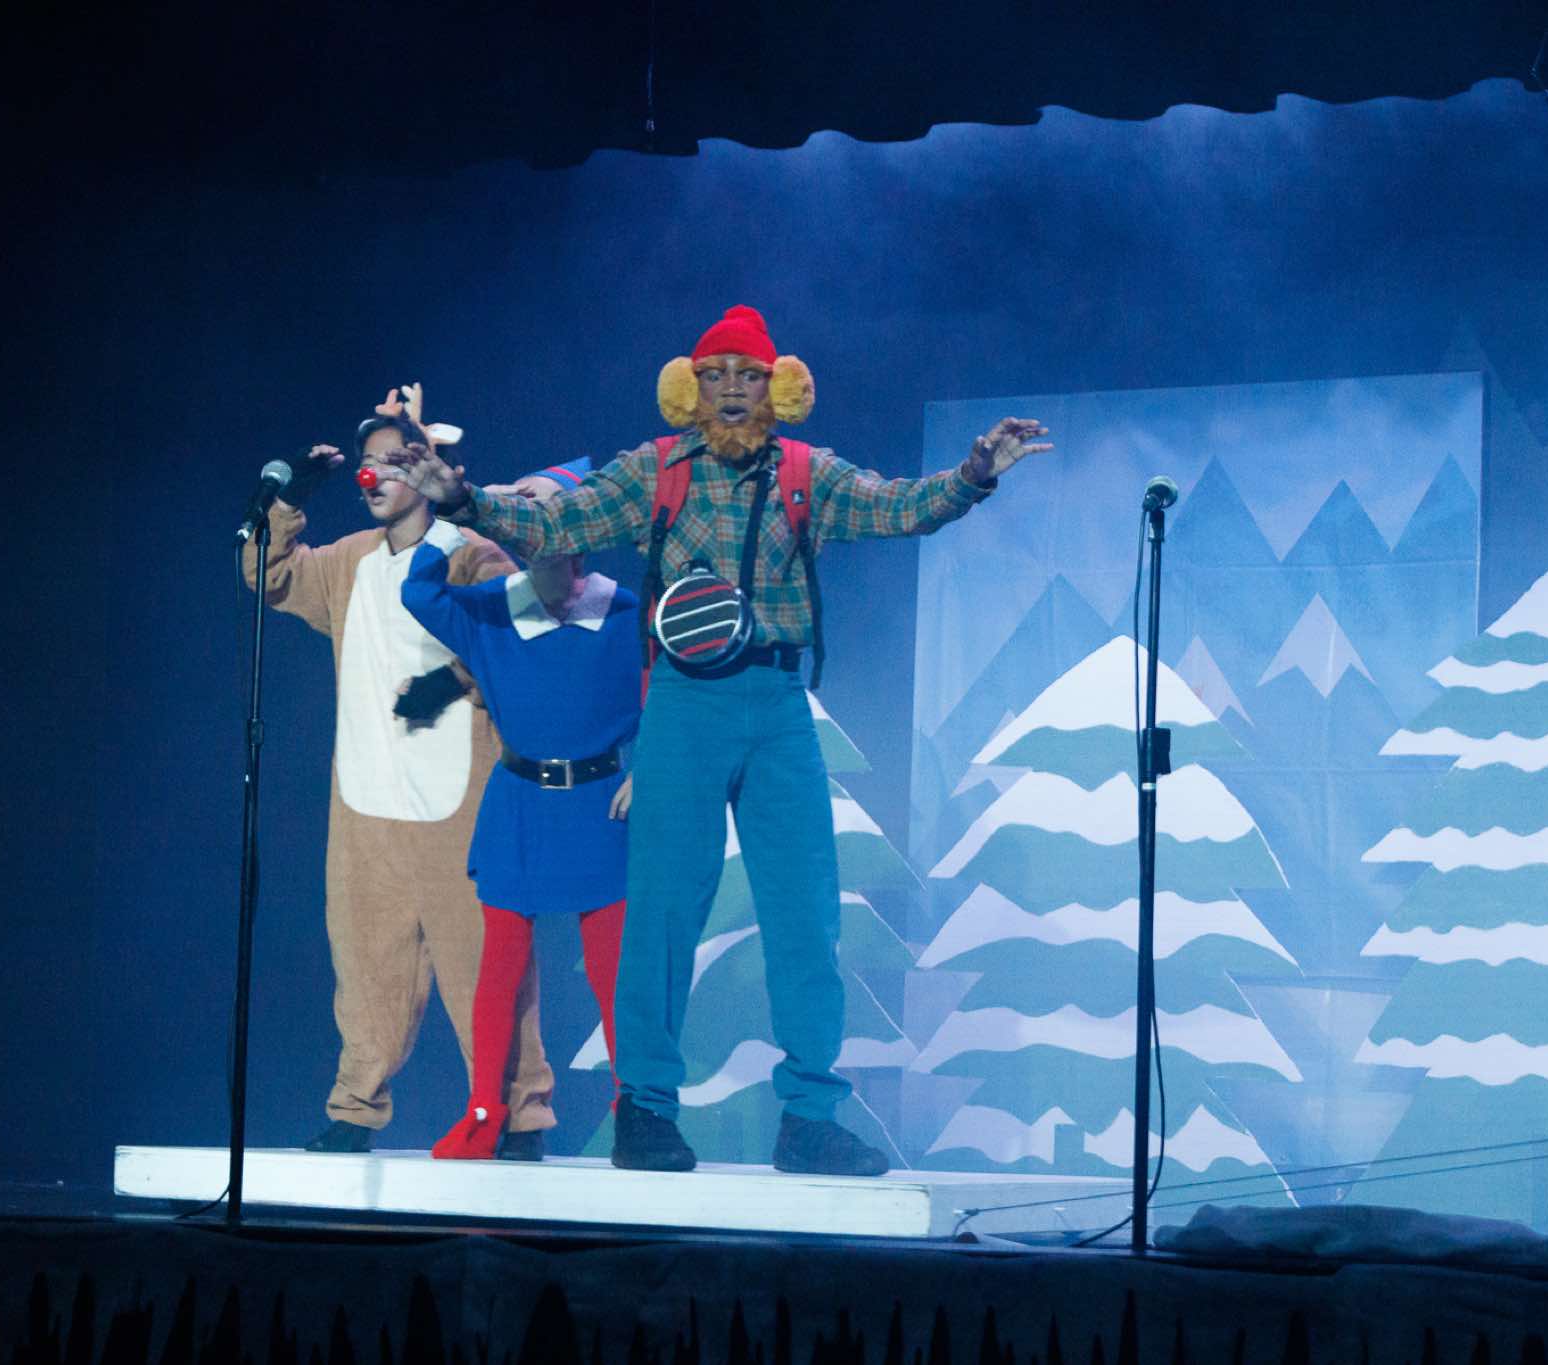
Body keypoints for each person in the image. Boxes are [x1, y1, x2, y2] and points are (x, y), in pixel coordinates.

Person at [375, 307, 1053, 1176]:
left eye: (749, 375)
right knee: (662, 912)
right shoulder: (653, 470)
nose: (733, 389)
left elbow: (899, 508)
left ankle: (808, 1116)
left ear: (779, 387)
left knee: (805, 913)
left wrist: (974, 474)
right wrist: (463, 500)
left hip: (776, 705)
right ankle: (645, 1109)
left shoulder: (806, 472)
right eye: (716, 374)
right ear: (690, 388)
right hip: (686, 704)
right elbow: (556, 525)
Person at [243, 385, 557, 1157]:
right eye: (366, 462)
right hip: (366, 808)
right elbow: (266, 573)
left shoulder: (472, 554)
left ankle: (519, 1114)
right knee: (365, 969)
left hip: (459, 809)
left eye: (392, 460)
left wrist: (455, 679)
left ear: (424, 467)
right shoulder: (348, 563)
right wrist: (288, 501)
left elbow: (530, 633)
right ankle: (355, 1107)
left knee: (487, 969)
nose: (373, 475)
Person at [398, 457, 644, 1160]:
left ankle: (635, 1109)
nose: (546, 544)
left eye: (556, 529)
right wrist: (456, 515)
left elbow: (672, 688)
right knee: (499, 970)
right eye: (529, 529)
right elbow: (419, 591)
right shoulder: (493, 609)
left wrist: (651, 767)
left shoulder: (625, 611)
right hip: (520, 808)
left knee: (612, 972)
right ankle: (484, 1110)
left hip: (600, 807)